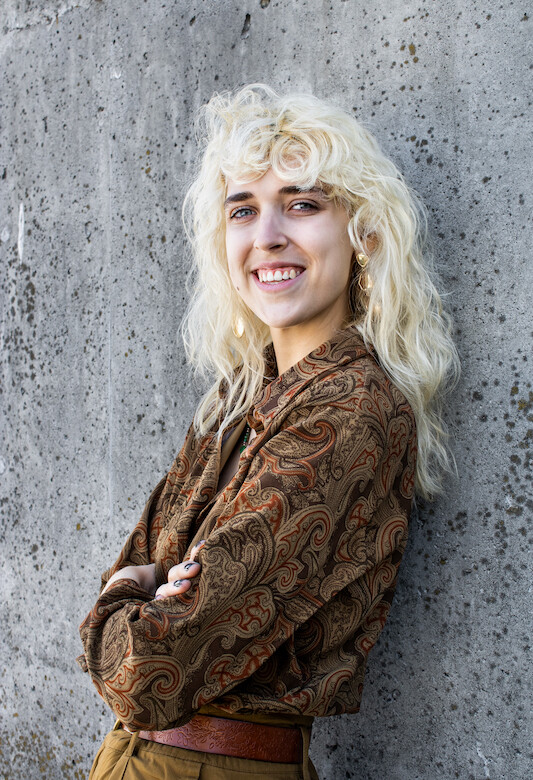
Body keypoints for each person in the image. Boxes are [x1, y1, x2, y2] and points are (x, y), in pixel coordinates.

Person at [78, 84, 459, 780]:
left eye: (303, 203)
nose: (267, 235)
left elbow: (147, 668)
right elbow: (132, 580)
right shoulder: (234, 398)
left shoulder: (351, 411)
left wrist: (129, 594)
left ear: (363, 233)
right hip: (131, 760)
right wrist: (138, 589)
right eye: (243, 210)